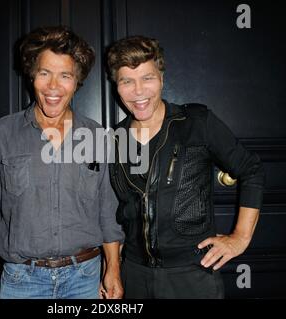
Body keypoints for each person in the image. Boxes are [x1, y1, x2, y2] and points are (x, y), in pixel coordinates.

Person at [0, 26, 124, 299]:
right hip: (20, 280)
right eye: (44, 73)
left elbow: (108, 212)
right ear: (31, 75)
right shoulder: (1, 133)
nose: (53, 86)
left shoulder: (98, 137)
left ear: (77, 81)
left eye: (65, 76)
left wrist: (113, 269)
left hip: (85, 279)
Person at [106, 35, 265, 298]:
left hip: (192, 274)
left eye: (147, 78)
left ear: (162, 79)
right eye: (127, 81)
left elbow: (251, 170)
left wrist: (240, 237)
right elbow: (108, 212)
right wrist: (111, 268)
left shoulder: (196, 123)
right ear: (117, 86)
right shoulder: (113, 140)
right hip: (134, 274)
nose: (138, 91)